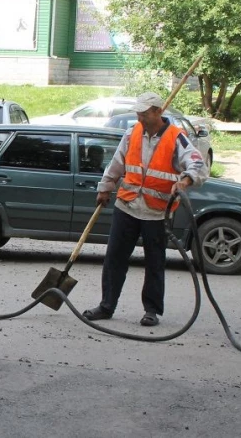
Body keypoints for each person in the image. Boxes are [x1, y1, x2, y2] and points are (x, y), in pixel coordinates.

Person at [83, 92, 209, 327]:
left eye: (144, 113)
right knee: (114, 258)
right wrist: (105, 187)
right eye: (138, 113)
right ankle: (106, 305)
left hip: (157, 211)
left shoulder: (176, 138)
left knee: (154, 262)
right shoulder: (133, 133)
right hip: (127, 204)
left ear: (158, 112)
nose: (140, 117)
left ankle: (151, 310)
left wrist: (185, 180)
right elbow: (117, 163)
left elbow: (199, 165)